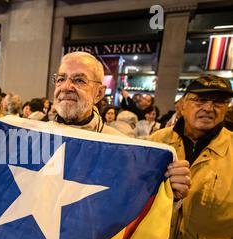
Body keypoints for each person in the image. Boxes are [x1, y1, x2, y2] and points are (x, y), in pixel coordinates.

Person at [52, 51, 190, 199]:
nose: (66, 87)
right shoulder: (34, 139)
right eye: (61, 79)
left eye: (79, 80)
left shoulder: (123, 150)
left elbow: (132, 203)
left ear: (99, 93)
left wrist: (168, 193)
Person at [150, 75, 233, 239]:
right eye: (199, 100)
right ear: (182, 104)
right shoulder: (157, 142)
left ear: (226, 108)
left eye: (218, 102)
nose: (208, 108)